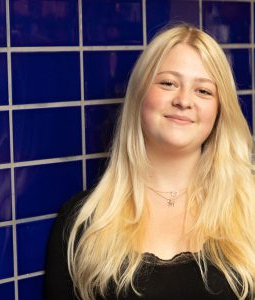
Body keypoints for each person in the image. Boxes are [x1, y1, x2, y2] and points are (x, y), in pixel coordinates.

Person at [44, 24, 255, 300]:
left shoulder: (250, 208)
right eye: (168, 83)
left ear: (219, 110)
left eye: (203, 91)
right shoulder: (83, 223)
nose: (183, 100)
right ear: (140, 95)